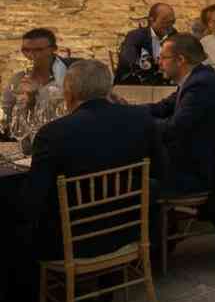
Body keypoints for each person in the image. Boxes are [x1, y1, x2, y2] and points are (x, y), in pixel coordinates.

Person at [22, 60, 167, 261]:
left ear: (68, 92)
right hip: (131, 229)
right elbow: (160, 170)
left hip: (73, 242)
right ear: (109, 88)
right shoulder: (141, 119)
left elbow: (35, 196)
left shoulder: (52, 134)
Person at [144, 33, 215, 194]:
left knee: (131, 183)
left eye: (163, 58)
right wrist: (127, 112)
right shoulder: (196, 77)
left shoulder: (200, 85)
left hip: (196, 174)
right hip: (192, 162)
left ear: (180, 60)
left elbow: (173, 129)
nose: (158, 63)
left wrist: (138, 124)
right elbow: (163, 107)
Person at [2, 28, 73, 119]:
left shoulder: (70, 74)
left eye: (38, 50)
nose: (31, 55)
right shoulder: (17, 80)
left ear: (53, 49)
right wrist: (30, 100)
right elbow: (6, 116)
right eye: (26, 50)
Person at [116, 3, 177, 85]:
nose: (169, 25)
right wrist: (148, 64)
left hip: (166, 84)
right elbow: (128, 60)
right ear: (152, 20)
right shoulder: (135, 36)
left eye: (172, 21)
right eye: (164, 21)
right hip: (136, 84)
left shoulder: (175, 37)